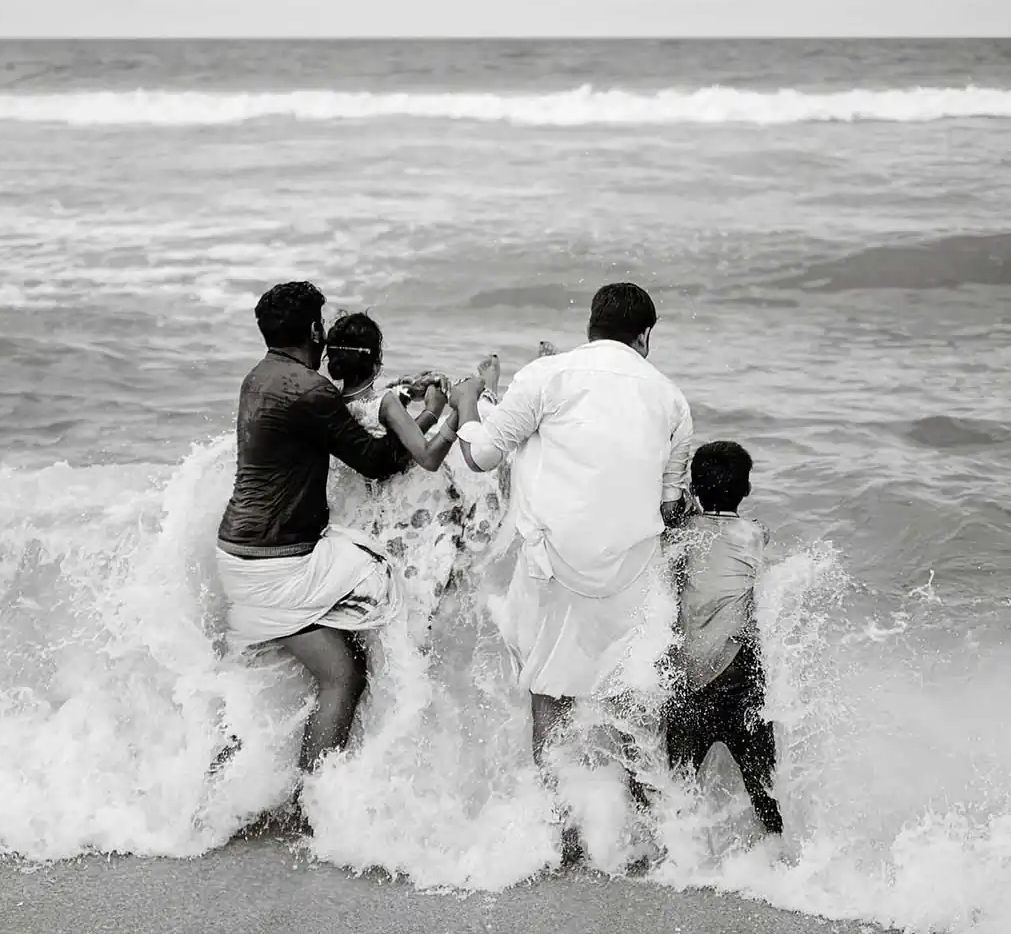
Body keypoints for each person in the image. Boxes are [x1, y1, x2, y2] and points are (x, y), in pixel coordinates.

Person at [451, 281, 693, 857]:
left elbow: (481, 456)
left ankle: (559, 834)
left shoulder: (546, 375)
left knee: (548, 691)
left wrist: (467, 405)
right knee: (632, 696)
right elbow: (670, 506)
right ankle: (654, 841)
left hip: (554, 566)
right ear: (644, 337)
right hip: (631, 571)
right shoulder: (671, 399)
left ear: (590, 326)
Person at [213, 281, 418, 804]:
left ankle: (241, 803)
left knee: (329, 670)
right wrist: (422, 412)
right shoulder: (311, 391)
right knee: (381, 590)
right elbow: (378, 462)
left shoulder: (257, 377)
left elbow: (324, 419)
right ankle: (317, 803)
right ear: (312, 330)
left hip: (237, 556)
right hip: (280, 568)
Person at [322, 311, 503, 648]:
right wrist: (444, 411)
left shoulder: (331, 403)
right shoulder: (386, 403)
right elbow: (428, 458)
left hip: (365, 516)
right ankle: (485, 393)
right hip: (408, 507)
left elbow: (384, 430)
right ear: (377, 360)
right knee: (473, 465)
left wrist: (408, 390)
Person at [663, 441, 784, 837]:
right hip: (740, 677)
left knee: (676, 791)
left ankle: (671, 857)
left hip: (689, 679)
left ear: (695, 489)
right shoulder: (755, 534)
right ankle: (777, 853)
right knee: (765, 791)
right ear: (746, 489)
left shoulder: (680, 535)